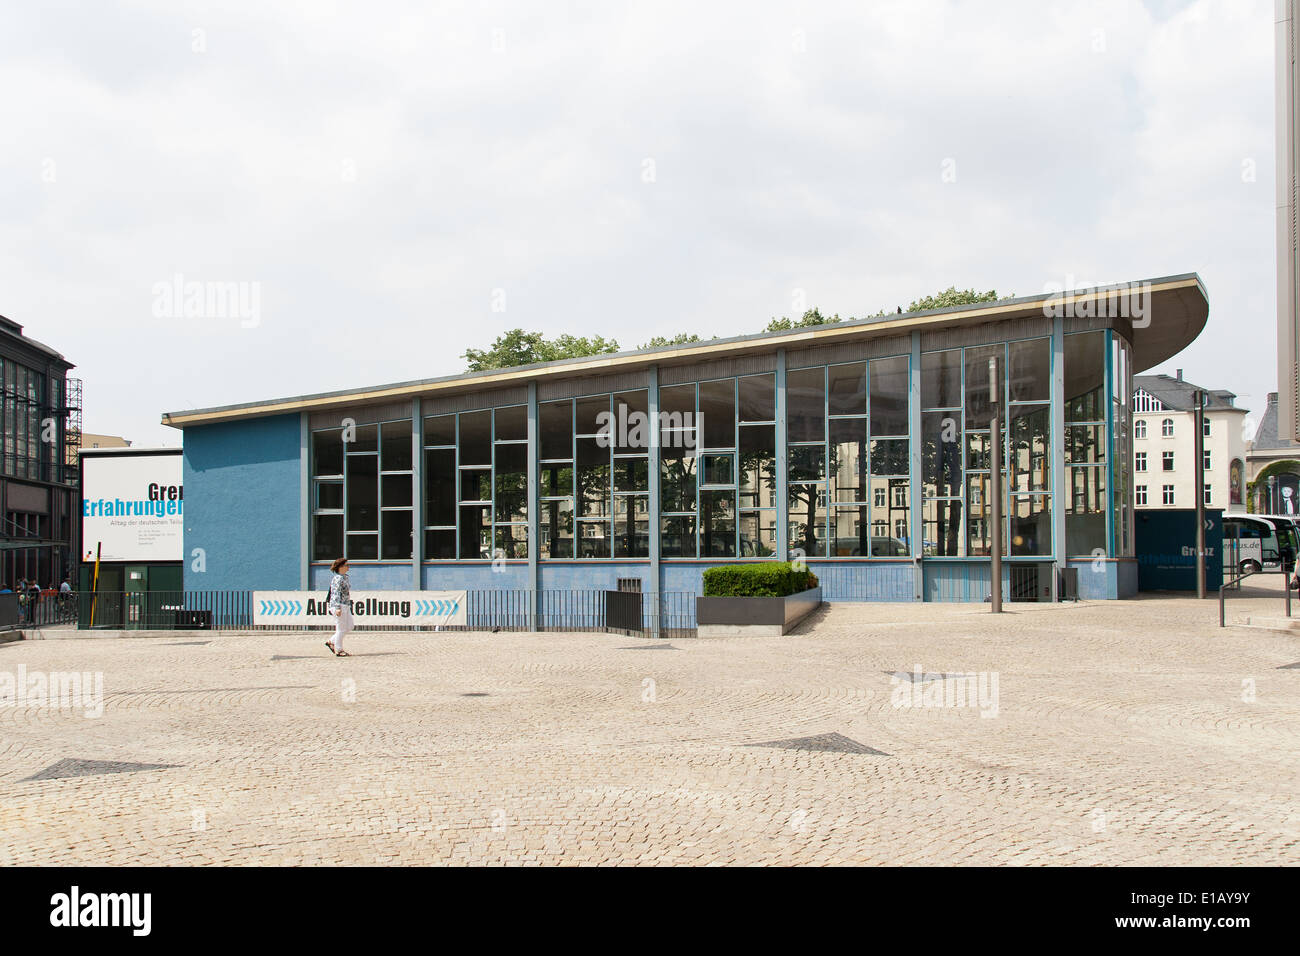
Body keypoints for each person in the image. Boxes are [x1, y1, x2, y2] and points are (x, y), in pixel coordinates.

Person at [325, 557, 353, 657]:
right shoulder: (337, 578)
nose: (348, 567)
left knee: (350, 626)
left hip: (345, 604)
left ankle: (331, 641)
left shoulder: (345, 577)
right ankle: (339, 649)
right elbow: (335, 593)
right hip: (339, 605)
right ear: (341, 566)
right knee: (340, 628)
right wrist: (337, 607)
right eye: (346, 565)